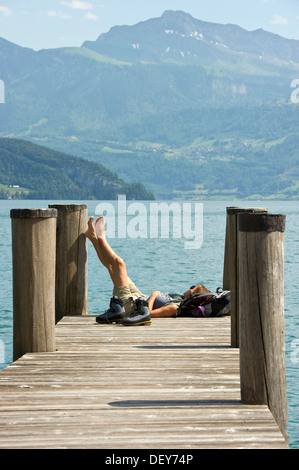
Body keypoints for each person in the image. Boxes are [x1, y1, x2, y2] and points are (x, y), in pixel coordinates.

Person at [84, 216, 210, 326]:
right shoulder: (179, 299)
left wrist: (154, 295)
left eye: (193, 288)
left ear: (193, 296)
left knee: (119, 263)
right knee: (112, 268)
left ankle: (101, 237)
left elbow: (147, 313)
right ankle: (93, 237)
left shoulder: (175, 308)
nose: (190, 287)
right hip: (138, 296)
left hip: (131, 306)